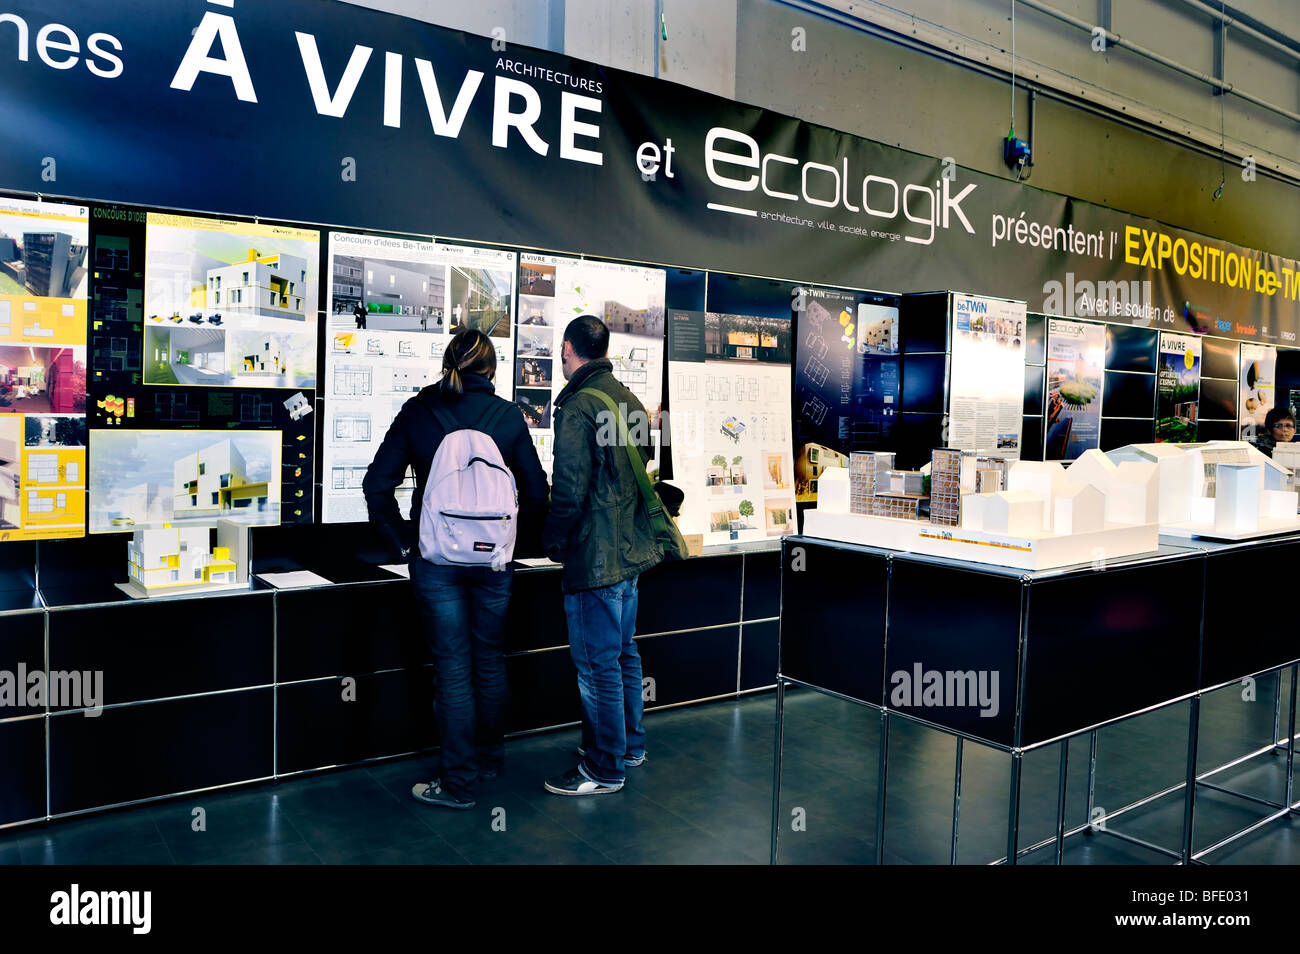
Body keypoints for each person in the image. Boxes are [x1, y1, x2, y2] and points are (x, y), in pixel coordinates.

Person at [363, 329, 548, 810]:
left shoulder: (419, 412)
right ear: (490, 368)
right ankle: (487, 761)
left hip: (436, 561)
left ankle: (458, 781)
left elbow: (376, 485)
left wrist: (404, 540)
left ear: (449, 363)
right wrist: (511, 541)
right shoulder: (508, 416)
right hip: (493, 562)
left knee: (452, 670)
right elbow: (536, 491)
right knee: (488, 661)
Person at [541, 316, 663, 796]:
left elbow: (568, 491)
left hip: (594, 557)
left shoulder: (576, 407)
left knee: (597, 666)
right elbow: (646, 458)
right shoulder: (627, 399)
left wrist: (552, 541)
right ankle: (629, 746)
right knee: (623, 653)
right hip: (629, 552)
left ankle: (603, 768)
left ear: (568, 349)